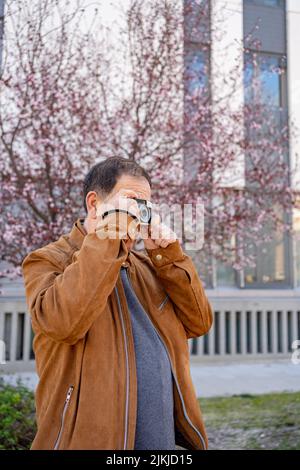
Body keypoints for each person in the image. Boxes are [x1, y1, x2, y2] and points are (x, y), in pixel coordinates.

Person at [22, 156, 213, 450]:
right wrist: (108, 238)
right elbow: (62, 324)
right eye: (130, 203)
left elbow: (199, 322)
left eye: (144, 205)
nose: (137, 215)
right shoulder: (47, 260)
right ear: (94, 204)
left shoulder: (151, 267)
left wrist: (170, 257)